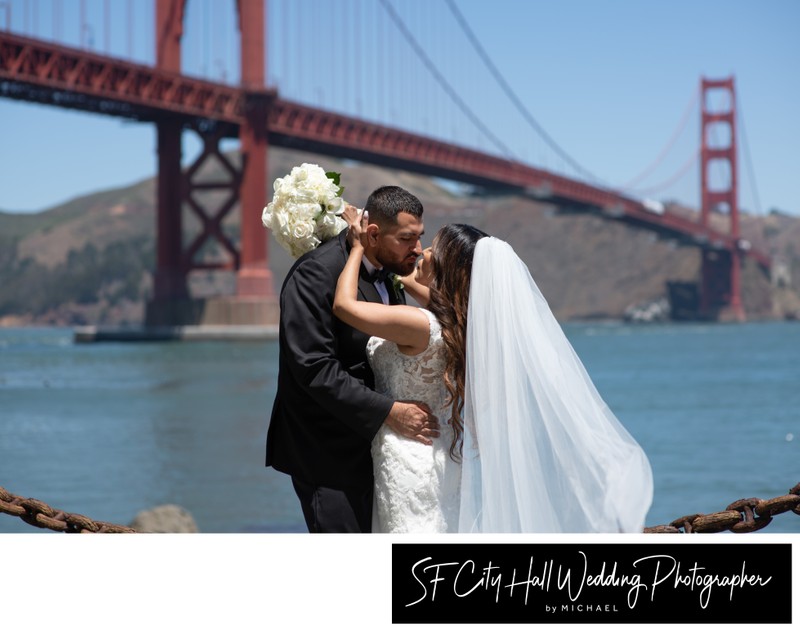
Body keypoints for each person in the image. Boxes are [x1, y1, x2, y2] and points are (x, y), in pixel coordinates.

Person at [334, 213, 653, 533]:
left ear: (445, 267)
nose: (421, 252)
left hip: (408, 457)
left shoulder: (417, 323)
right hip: (439, 460)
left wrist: (360, 246)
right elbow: (418, 287)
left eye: (431, 248)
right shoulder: (463, 324)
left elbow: (344, 306)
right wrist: (385, 250)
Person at [266, 185, 440, 533]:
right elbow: (313, 368)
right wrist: (391, 411)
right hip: (327, 456)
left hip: (379, 454)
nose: (418, 249)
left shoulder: (392, 270)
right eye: (407, 239)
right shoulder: (315, 273)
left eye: (419, 237)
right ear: (372, 234)